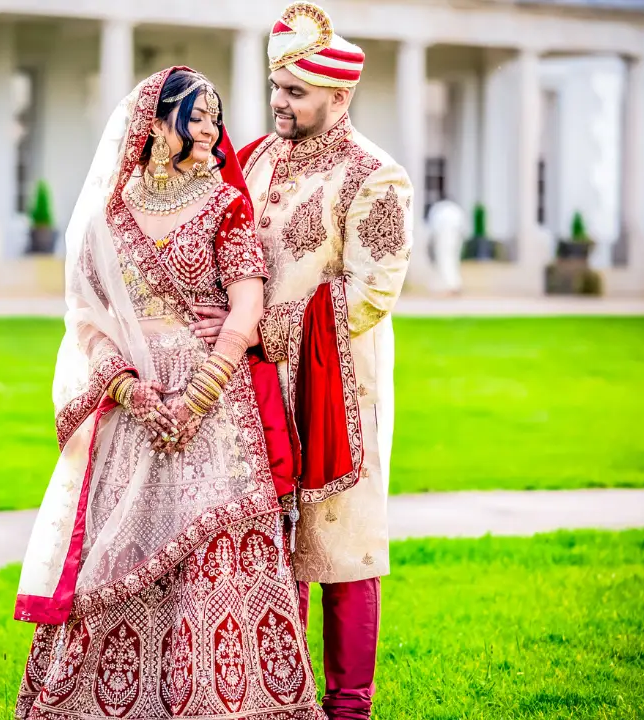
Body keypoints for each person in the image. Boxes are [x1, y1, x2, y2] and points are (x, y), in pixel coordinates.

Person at [12, 66, 322, 720]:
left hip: (214, 407)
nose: (212, 128)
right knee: (119, 553)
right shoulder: (109, 213)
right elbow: (87, 317)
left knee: (213, 559)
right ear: (156, 124)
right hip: (136, 410)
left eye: (215, 115)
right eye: (197, 115)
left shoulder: (224, 201)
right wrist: (127, 390)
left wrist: (198, 395)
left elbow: (246, 307)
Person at [190, 4, 415, 718]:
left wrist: (260, 328)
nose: (278, 102)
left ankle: (349, 709)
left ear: (338, 97)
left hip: (336, 394)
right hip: (251, 392)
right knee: (266, 546)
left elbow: (373, 291)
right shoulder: (254, 159)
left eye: (295, 92)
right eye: (275, 88)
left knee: (340, 549)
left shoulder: (376, 176)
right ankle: (276, 698)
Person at [427, 199, 465, 295]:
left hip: (443, 237)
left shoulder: (438, 209)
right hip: (456, 236)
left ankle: (450, 286)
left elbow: (434, 227)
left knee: (444, 261)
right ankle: (454, 284)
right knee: (453, 260)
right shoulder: (455, 208)